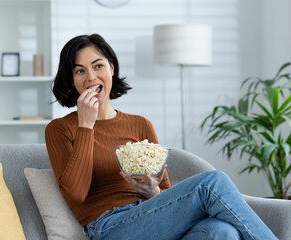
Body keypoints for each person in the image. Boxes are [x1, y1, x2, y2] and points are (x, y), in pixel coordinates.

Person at [45, 33, 278, 240]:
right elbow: (75, 195)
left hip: (154, 218)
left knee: (223, 231)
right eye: (80, 71)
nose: (91, 77)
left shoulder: (140, 124)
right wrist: (86, 125)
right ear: (72, 79)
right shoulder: (60, 129)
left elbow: (165, 191)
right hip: (109, 227)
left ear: (112, 68)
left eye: (98, 66)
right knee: (212, 183)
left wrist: (153, 191)